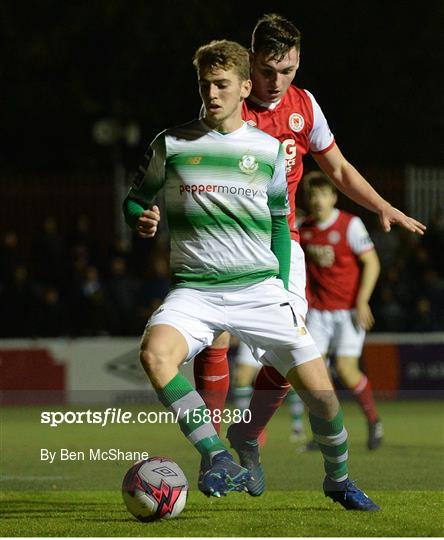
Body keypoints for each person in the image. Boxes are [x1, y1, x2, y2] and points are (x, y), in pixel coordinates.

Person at [124, 39, 380, 510]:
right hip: (194, 291)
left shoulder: (267, 150)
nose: (212, 94)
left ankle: (338, 480)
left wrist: (281, 287)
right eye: (205, 85)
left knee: (323, 398)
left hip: (259, 289)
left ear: (245, 87)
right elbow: (137, 198)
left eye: (222, 84)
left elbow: (281, 223)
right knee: (155, 356)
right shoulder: (172, 142)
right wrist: (141, 216)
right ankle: (217, 455)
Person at [191, 13, 426, 498]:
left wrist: (381, 204)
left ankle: (248, 434)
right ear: (250, 61)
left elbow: (336, 167)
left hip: (283, 244)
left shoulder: (303, 105)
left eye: (289, 70)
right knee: (214, 339)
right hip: (227, 243)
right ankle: (212, 455)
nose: (277, 82)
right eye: (268, 70)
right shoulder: (223, 108)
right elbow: (187, 171)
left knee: (293, 352)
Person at [300, 171, 382, 450]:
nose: (318, 200)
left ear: (334, 197)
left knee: (347, 372)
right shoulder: (304, 228)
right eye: (313, 195)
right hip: (319, 314)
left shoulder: (351, 225)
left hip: (348, 311)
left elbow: (372, 263)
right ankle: (329, 432)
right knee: (315, 376)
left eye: (323, 194)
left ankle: (373, 421)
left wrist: (362, 301)